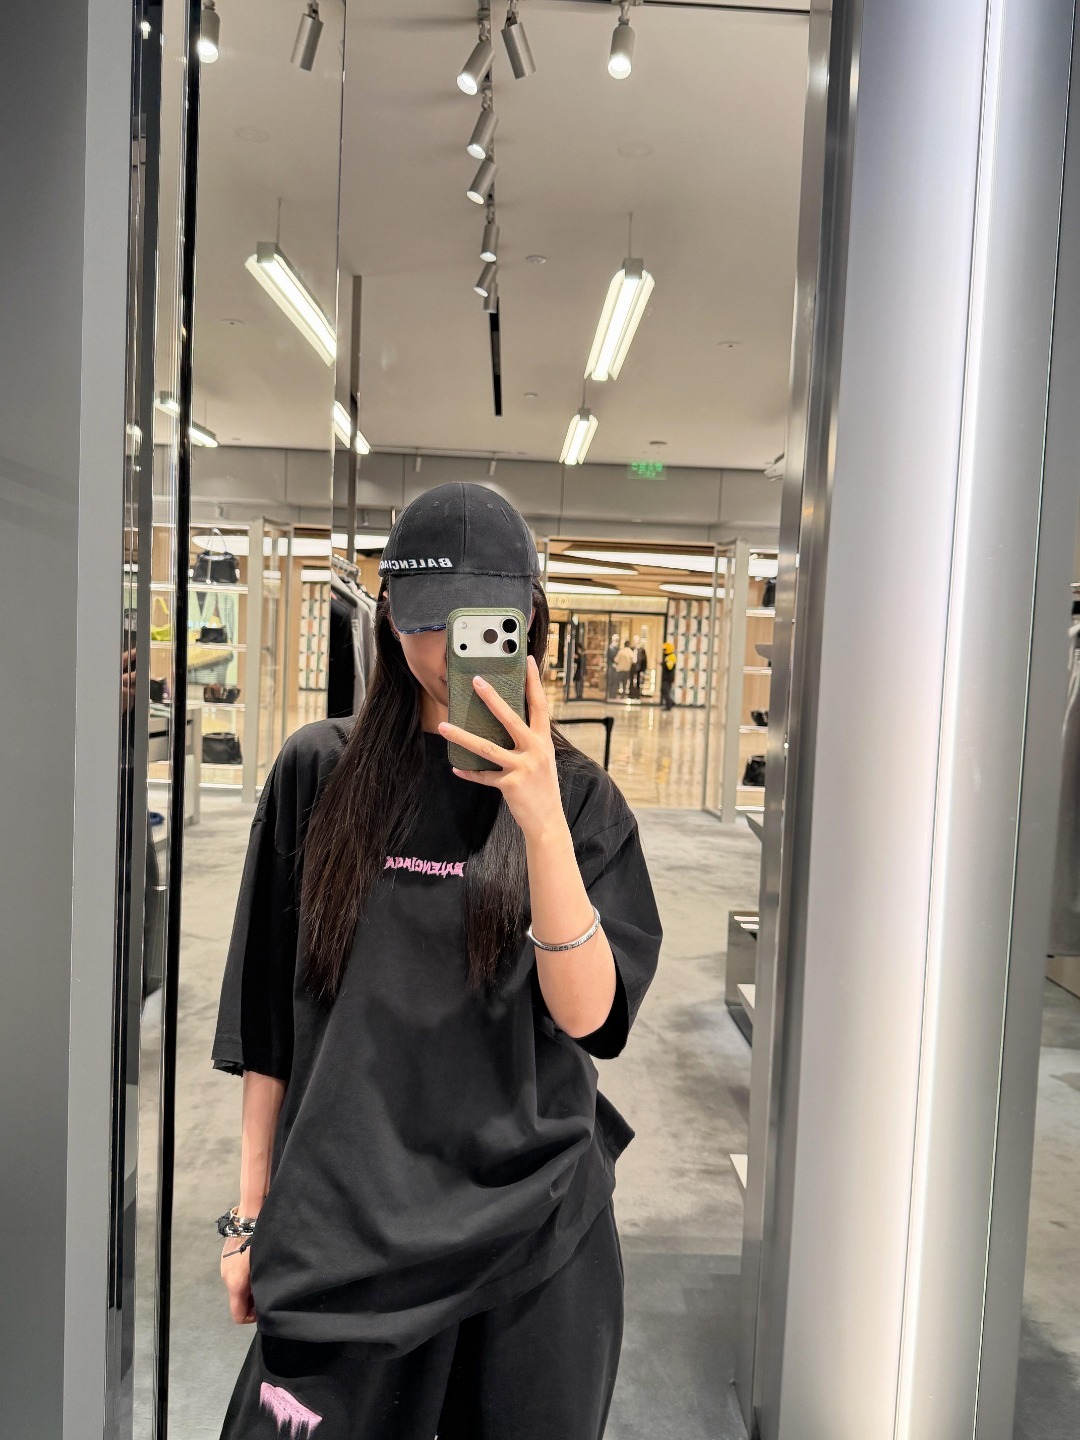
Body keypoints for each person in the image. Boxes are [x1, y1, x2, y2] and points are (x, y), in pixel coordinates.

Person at [211, 482, 662, 1440]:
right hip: (344, 1232)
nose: (450, 646)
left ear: (529, 617)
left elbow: (590, 1018)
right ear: (388, 617)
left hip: (533, 1243)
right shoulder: (319, 772)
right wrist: (252, 1212)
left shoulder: (581, 800)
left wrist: (539, 818)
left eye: (481, 620)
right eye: (429, 621)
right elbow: (268, 1016)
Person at [629, 634, 648, 700]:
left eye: (636, 640)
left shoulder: (642, 650)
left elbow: (644, 660)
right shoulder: (631, 649)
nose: (635, 641)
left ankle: (637, 695)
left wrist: (643, 669)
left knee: (638, 681)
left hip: (639, 667)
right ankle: (631, 694)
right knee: (631, 680)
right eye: (634, 640)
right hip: (632, 666)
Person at [660, 641, 676, 711]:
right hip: (666, 677)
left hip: (668, 678)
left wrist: (666, 662)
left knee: (665, 691)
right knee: (664, 690)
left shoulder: (671, 656)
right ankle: (671, 703)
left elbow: (670, 667)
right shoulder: (668, 656)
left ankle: (669, 705)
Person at [605, 631, 620, 699]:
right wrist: (612, 664)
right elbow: (608, 658)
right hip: (611, 667)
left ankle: (613, 695)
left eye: (617, 640)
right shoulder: (610, 648)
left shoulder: (618, 649)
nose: (616, 641)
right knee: (610, 681)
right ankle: (609, 695)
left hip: (617, 667)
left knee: (615, 682)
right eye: (616, 640)